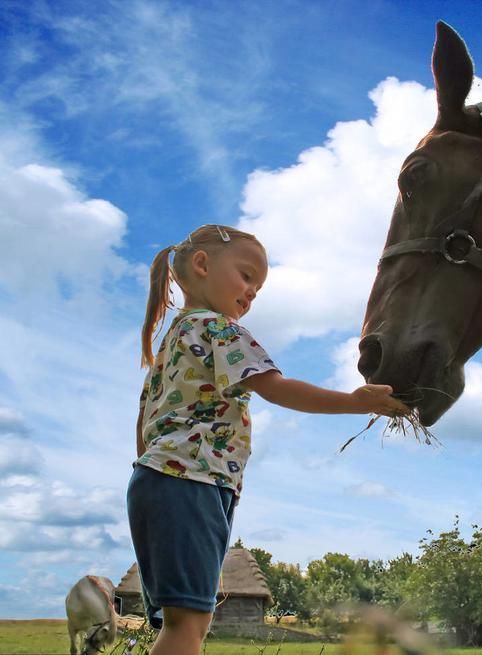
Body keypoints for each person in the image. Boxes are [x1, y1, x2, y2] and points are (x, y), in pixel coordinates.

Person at [127, 224, 409, 655]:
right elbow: (277, 388)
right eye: (246, 276)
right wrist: (356, 401)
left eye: (257, 287)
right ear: (202, 265)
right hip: (191, 481)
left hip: (157, 480)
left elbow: (142, 426)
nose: (251, 292)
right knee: (189, 624)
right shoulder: (220, 330)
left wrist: (157, 478)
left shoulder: (174, 342)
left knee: (182, 621)